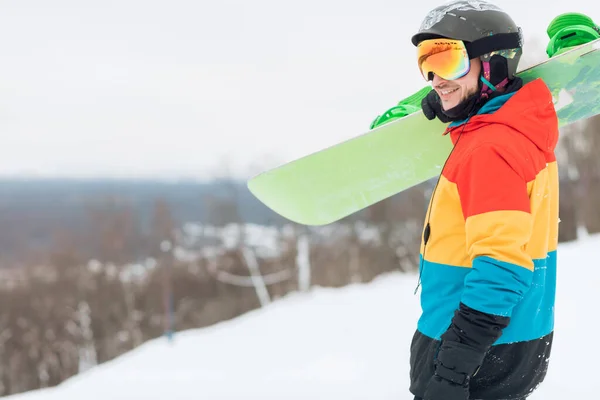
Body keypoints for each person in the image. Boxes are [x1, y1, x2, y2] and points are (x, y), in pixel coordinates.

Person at [408, 1, 559, 400]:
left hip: (470, 354)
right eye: (428, 63)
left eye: (450, 61)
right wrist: (457, 103)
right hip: (517, 340)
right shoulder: (521, 128)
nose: (435, 79)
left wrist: (452, 371)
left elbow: (502, 267)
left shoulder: (488, 149)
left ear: (493, 64)